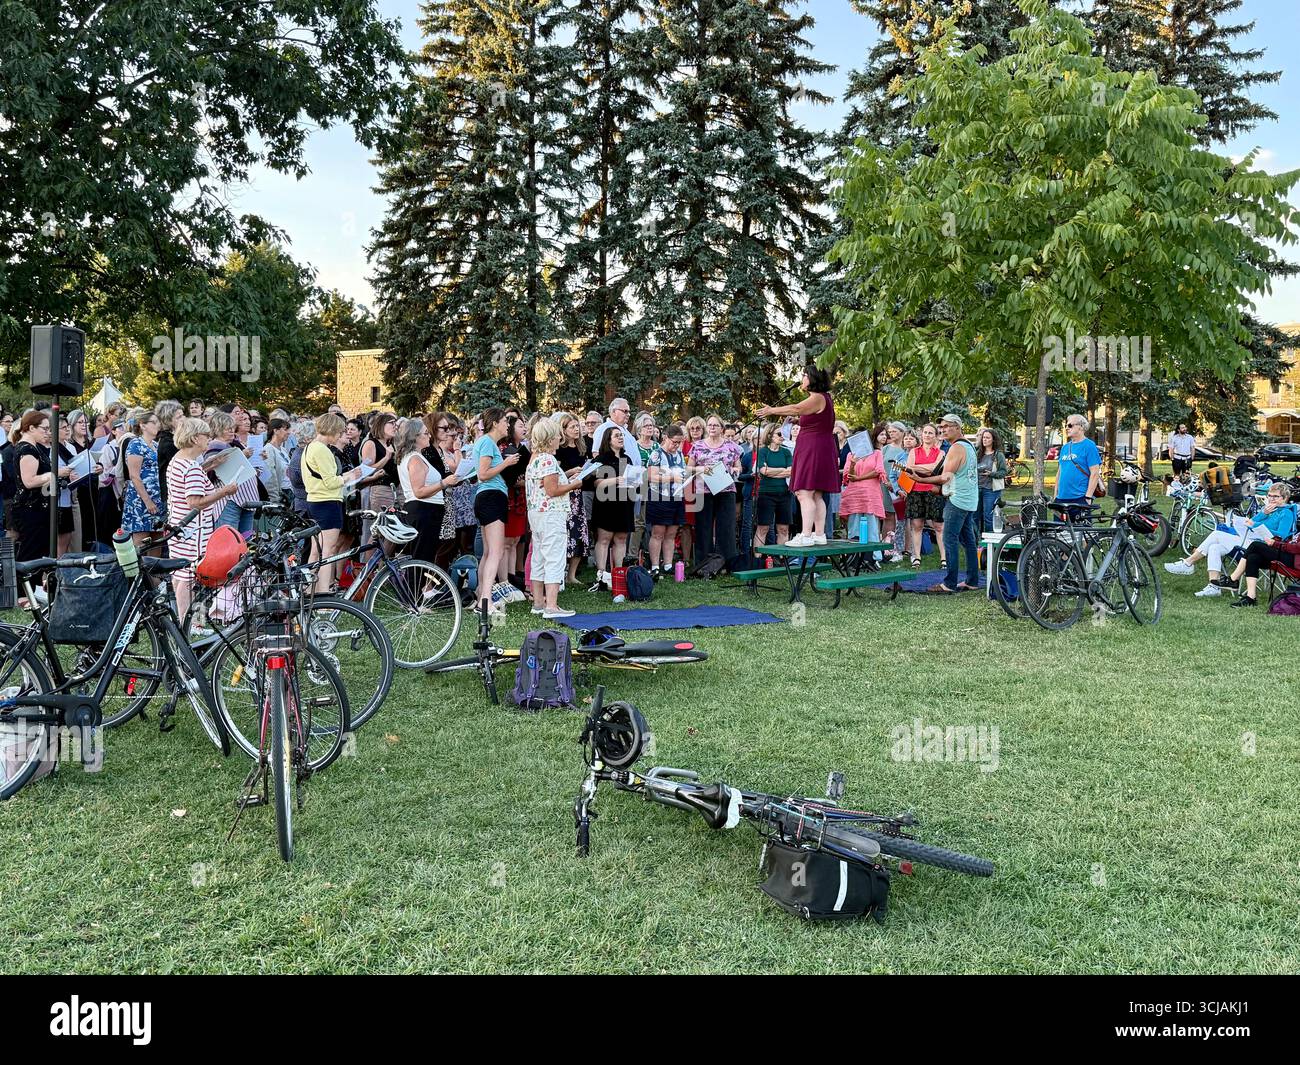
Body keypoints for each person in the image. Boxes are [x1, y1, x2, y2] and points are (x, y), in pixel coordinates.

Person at [166, 418, 241, 623]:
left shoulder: (179, 461)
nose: (209, 439)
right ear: (195, 438)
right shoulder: (190, 468)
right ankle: (188, 621)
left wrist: (211, 464)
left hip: (179, 526)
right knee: (189, 576)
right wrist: (224, 491)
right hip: (193, 529)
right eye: (206, 435)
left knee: (180, 574)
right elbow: (196, 502)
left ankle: (185, 619)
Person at [1164, 482, 1297, 598]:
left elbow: (1282, 535)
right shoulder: (1268, 510)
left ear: (1284, 498)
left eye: (1276, 496)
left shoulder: (1286, 513)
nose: (1272, 499)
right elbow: (1251, 522)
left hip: (1262, 547)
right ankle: (1213, 587)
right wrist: (1264, 514)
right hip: (1248, 539)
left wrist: (1256, 526)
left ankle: (1188, 563)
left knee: (1217, 535)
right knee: (1214, 547)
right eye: (1270, 496)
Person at [755, 365, 839, 547]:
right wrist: (798, 421)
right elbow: (811, 418)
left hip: (813, 448)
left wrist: (771, 410)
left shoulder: (817, 397)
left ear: (813, 378)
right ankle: (819, 534)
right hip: (820, 447)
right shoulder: (824, 398)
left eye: (804, 376)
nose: (802, 379)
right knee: (816, 494)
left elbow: (795, 408)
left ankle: (806, 535)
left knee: (804, 492)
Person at [906, 414, 980, 594]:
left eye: (947, 426)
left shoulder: (956, 448)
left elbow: (946, 476)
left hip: (957, 500)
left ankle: (949, 583)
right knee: (968, 540)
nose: (943, 429)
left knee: (949, 539)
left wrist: (921, 480)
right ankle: (972, 580)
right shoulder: (969, 446)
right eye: (942, 427)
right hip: (969, 499)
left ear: (958, 427)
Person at [303, 413, 368, 593]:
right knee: (328, 552)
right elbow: (331, 481)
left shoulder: (310, 447)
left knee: (316, 551)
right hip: (327, 502)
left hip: (315, 501)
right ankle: (324, 594)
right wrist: (348, 476)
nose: (341, 435)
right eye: (339, 431)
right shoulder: (322, 449)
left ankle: (309, 591)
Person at [525, 418, 583, 619]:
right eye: (558, 434)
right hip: (551, 514)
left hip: (537, 514)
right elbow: (552, 490)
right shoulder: (548, 460)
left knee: (539, 557)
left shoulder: (535, 459)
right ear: (550, 438)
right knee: (554, 558)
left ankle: (539, 603)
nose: (560, 437)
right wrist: (574, 485)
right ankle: (551, 606)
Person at [474, 408, 522, 613]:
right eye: (504, 421)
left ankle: (480, 596)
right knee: (496, 551)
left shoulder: (488, 443)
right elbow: (483, 474)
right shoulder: (486, 442)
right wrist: (506, 463)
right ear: (494, 423)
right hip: (491, 496)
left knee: (488, 553)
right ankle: (486, 601)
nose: (507, 425)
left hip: (490, 497)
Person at [12, 411, 74, 568]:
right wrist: (55, 473)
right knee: (31, 555)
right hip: (31, 510)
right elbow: (29, 481)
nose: (48, 432)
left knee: (39, 554)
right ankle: (26, 591)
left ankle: (34, 589)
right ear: (31, 428)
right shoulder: (27, 449)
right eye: (44, 429)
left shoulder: (33, 447)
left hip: (39, 508)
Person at [586, 425, 636, 598]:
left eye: (621, 435)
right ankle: (601, 574)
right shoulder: (601, 459)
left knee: (621, 539)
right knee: (604, 538)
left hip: (624, 502)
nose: (621, 438)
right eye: (617, 436)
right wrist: (616, 479)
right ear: (608, 439)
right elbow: (596, 483)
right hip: (606, 503)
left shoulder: (627, 459)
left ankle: (618, 573)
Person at [689, 415, 743, 566]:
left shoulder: (731, 446)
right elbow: (688, 469)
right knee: (703, 528)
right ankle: (703, 563)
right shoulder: (698, 445)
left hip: (726, 490)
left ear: (722, 428)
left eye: (715, 425)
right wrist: (701, 468)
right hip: (703, 491)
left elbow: (738, 466)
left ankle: (726, 562)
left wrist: (735, 470)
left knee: (726, 527)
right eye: (710, 425)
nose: (712, 428)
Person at [394, 418, 446, 569]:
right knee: (421, 560)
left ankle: (417, 591)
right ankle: (413, 591)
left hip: (425, 509)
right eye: (425, 433)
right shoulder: (415, 458)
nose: (429, 435)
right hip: (424, 510)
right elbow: (419, 491)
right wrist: (444, 483)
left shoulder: (413, 456)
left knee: (423, 558)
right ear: (415, 437)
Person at [646, 424, 696, 577]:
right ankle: (655, 565)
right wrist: (672, 477)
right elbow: (651, 476)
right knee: (658, 532)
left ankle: (668, 565)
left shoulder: (679, 454)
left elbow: (682, 471)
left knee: (672, 532)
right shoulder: (656, 454)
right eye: (674, 442)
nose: (677, 445)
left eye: (679, 442)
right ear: (666, 438)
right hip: (659, 496)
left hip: (677, 496)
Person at [555, 412, 591, 585]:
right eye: (572, 427)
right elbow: (555, 474)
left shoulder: (581, 447)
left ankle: (572, 574)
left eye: (577, 426)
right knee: (565, 533)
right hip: (563, 494)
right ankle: (561, 573)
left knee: (579, 533)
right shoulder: (559, 450)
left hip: (577, 496)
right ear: (563, 430)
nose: (576, 430)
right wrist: (571, 472)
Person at [120, 411, 164, 551]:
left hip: (157, 498)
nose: (158, 425)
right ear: (143, 425)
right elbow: (134, 475)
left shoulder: (156, 445)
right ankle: (136, 572)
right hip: (140, 499)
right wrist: (147, 501)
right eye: (154, 422)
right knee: (141, 541)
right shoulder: (135, 444)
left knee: (157, 539)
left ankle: (153, 572)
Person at [903, 423, 945, 568]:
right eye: (925, 432)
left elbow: (935, 471)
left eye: (930, 433)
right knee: (917, 524)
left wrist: (918, 468)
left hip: (933, 490)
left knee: (938, 525)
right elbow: (909, 469)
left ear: (935, 436)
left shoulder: (940, 453)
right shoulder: (914, 451)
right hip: (916, 491)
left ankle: (944, 558)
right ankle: (917, 557)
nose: (927, 435)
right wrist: (928, 468)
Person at [839, 427, 887, 543]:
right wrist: (852, 464)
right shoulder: (851, 455)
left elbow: (878, 471)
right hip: (854, 494)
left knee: (871, 525)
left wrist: (859, 477)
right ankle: (854, 557)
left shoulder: (876, 453)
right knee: (854, 525)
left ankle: (873, 557)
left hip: (871, 493)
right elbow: (848, 476)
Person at [752, 423, 793, 553]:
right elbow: (763, 471)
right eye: (779, 434)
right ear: (770, 435)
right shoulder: (763, 451)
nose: (782, 437)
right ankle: (757, 559)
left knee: (783, 528)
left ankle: (782, 558)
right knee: (763, 527)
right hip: (766, 493)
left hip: (784, 493)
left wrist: (772, 471)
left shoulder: (786, 452)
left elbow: (790, 471)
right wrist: (781, 470)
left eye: (784, 435)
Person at [1054, 415, 1102, 510]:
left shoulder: (1089, 446)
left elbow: (1095, 473)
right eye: (1066, 426)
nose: (1067, 428)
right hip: (1061, 499)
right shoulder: (1065, 447)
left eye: (1070, 425)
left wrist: (1088, 497)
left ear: (1081, 426)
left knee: (1079, 525)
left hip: (1079, 498)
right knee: (1059, 525)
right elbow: (1060, 472)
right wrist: (1055, 495)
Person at [975, 427, 1007, 535]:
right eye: (983, 437)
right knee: (975, 516)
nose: (985, 440)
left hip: (991, 490)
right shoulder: (978, 453)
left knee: (988, 516)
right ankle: (976, 541)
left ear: (993, 440)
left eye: (987, 438)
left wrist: (991, 474)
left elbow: (1003, 472)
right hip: (977, 488)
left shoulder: (998, 455)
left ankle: (989, 541)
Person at [154, 400, 182, 503]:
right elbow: (183, 467)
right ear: (168, 421)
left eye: (182, 415)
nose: (183, 419)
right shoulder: (168, 442)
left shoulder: (175, 438)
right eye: (178, 417)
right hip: (172, 494)